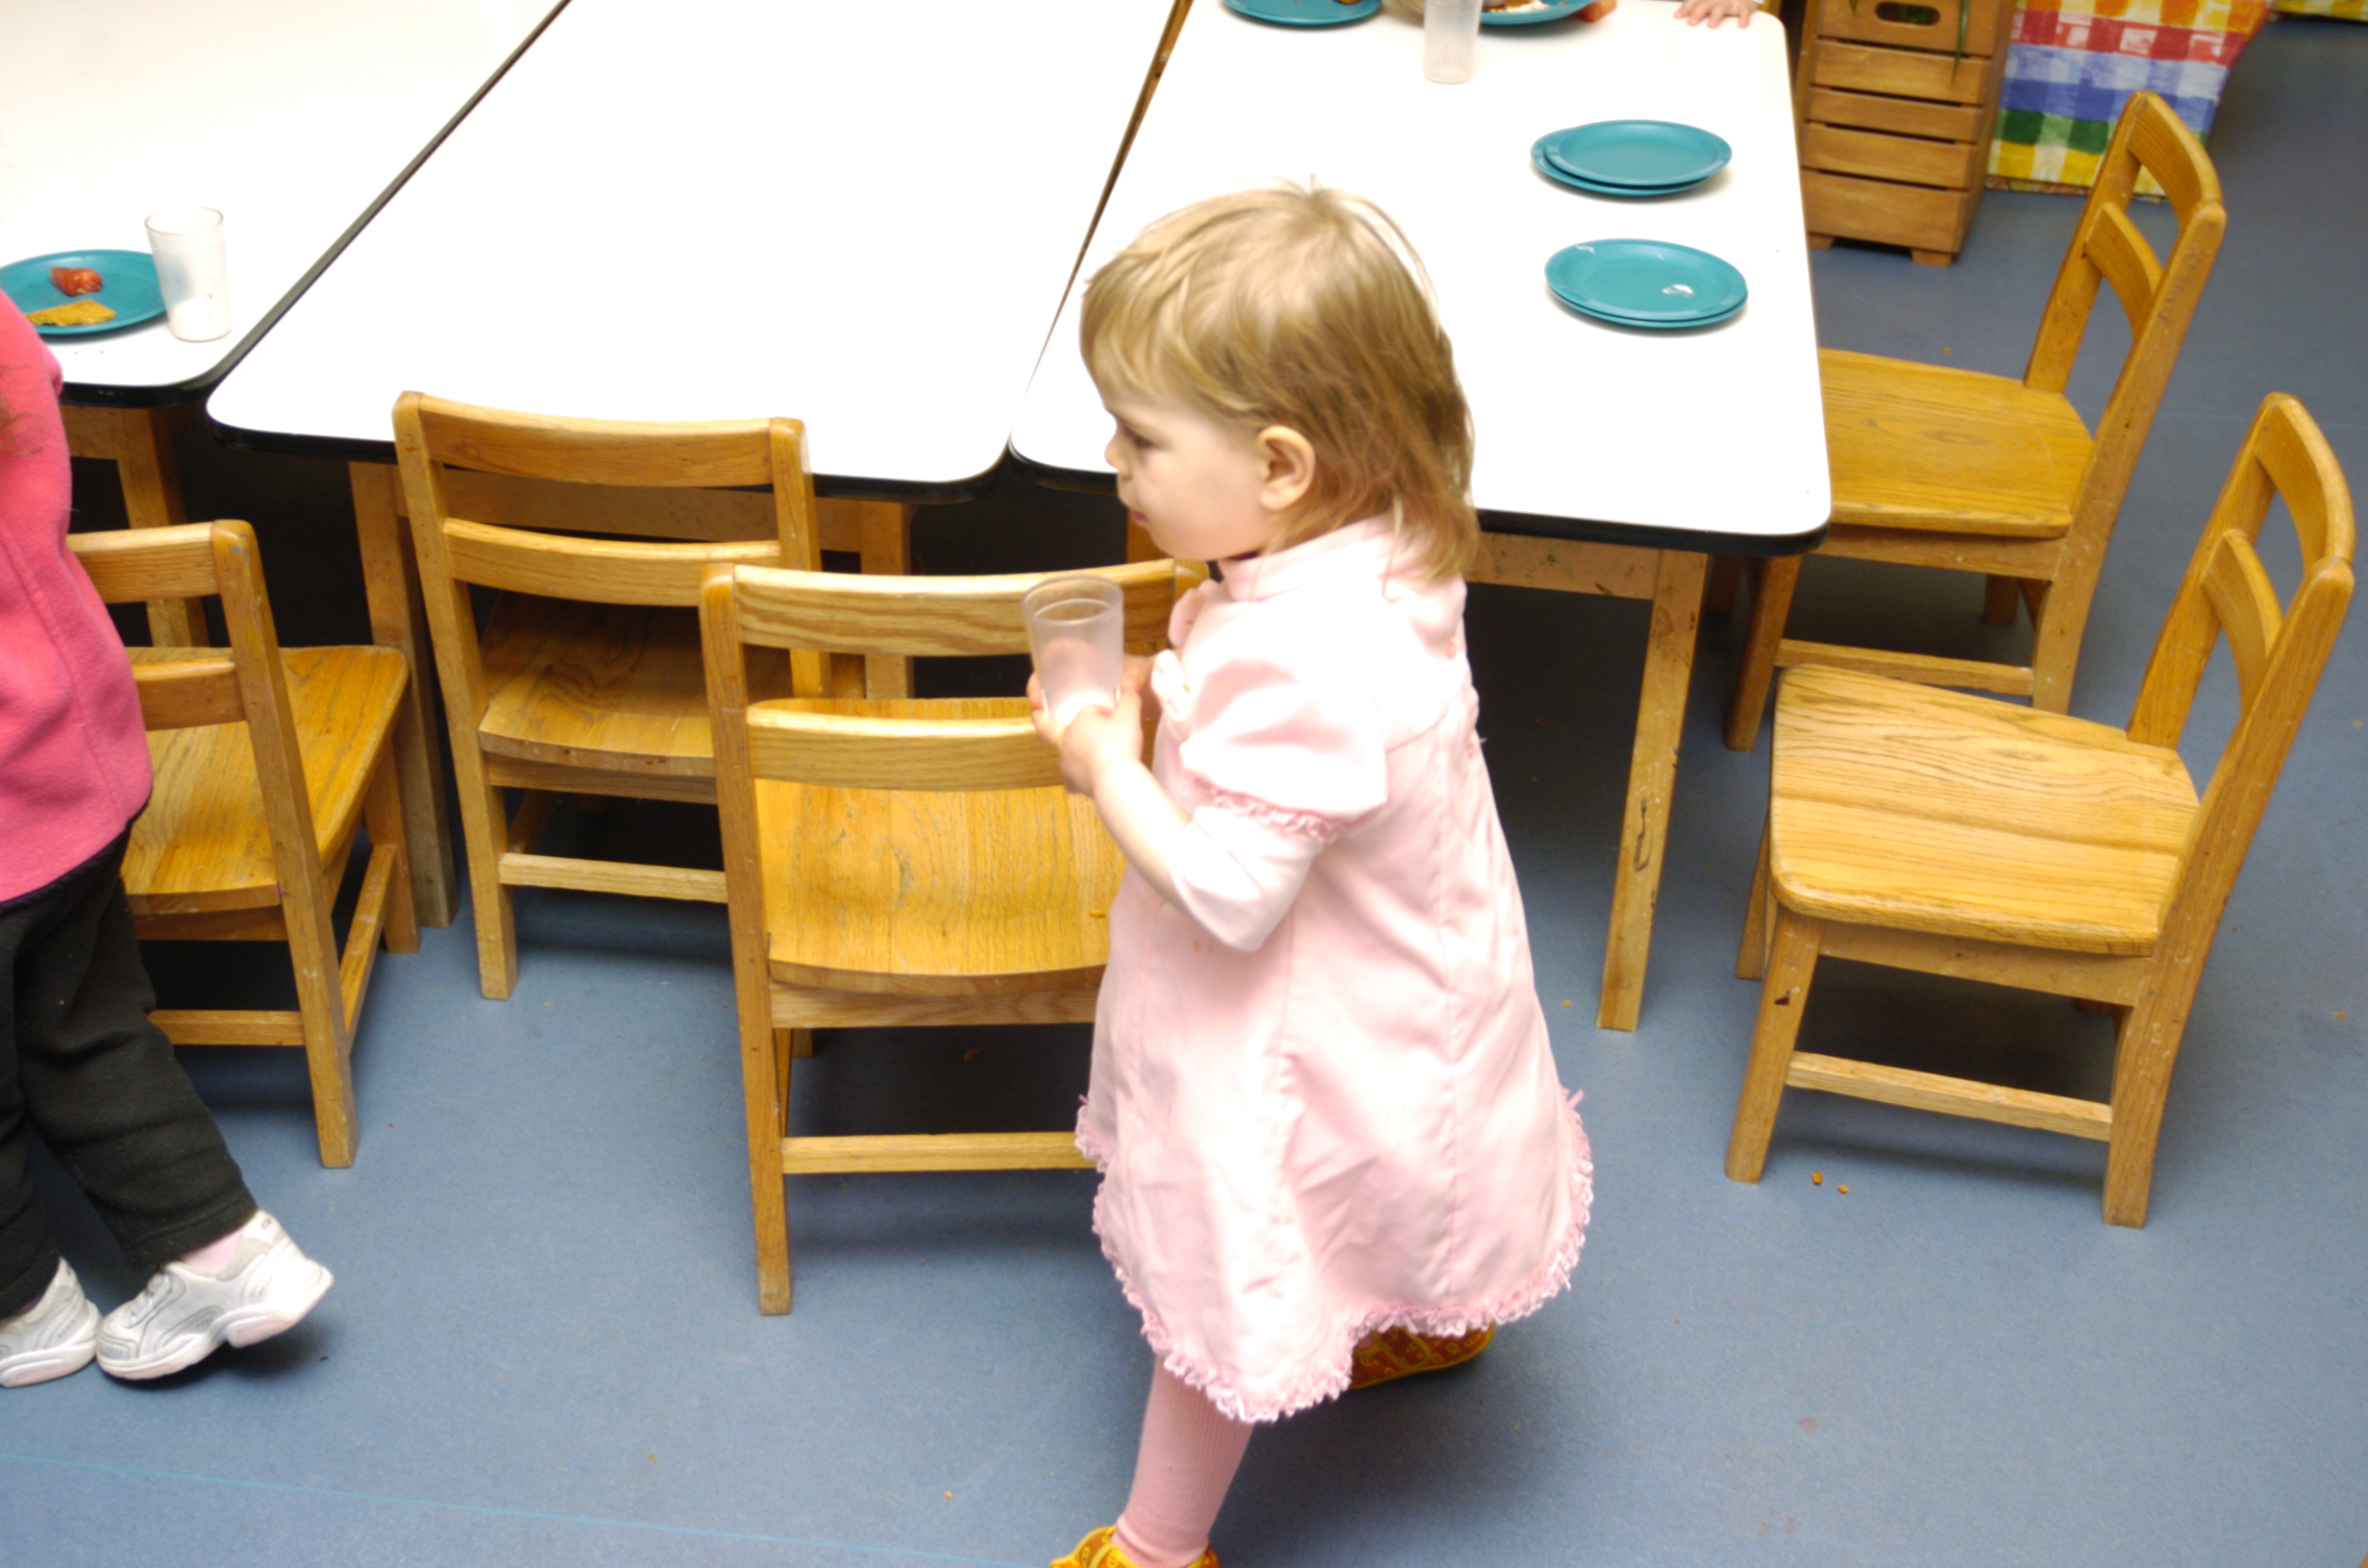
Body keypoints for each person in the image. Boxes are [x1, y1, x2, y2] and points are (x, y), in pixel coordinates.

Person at [1032, 185, 1592, 1568]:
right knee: (1406, 1146)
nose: (1113, 460)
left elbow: (1228, 895)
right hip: (1403, 959)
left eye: (1141, 436)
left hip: (1291, 1000)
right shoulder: (1377, 542)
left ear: (1281, 465)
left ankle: (1155, 1548)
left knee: (1238, 1259)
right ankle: (1420, 1308)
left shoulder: (1304, 657)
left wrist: (1104, 756)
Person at [0, 298, 332, 1387]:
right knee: (86, 1027)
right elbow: (40, 387)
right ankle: (224, 1255)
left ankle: (24, 1310)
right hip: (69, 754)